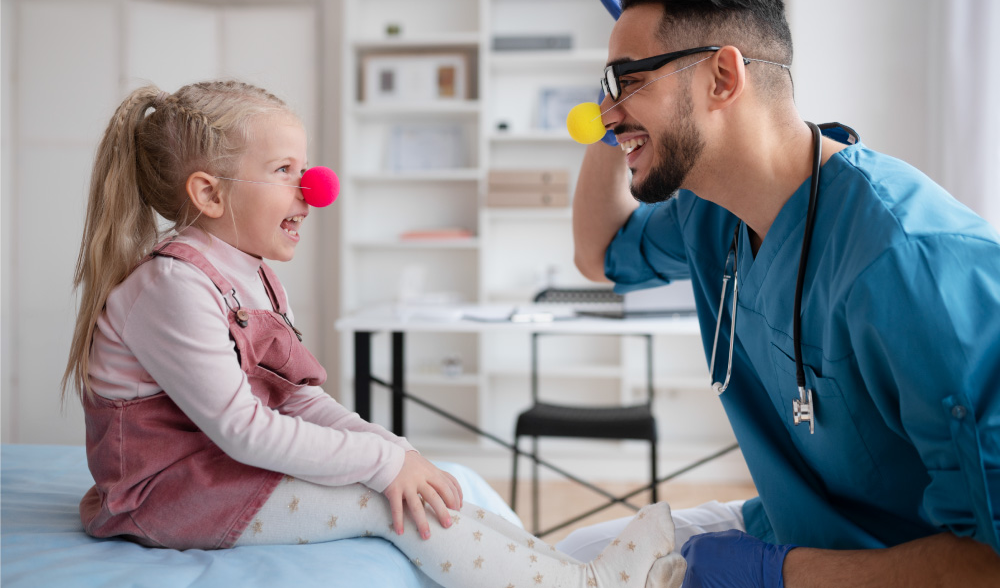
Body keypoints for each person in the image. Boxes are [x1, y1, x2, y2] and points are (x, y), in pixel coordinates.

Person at [63, 80, 687, 588]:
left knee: (416, 479)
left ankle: (564, 571)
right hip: (169, 494)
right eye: (285, 170)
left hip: (220, 471)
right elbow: (245, 430)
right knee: (386, 501)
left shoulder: (250, 275)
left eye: (305, 168)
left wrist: (393, 449)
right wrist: (385, 466)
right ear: (209, 193)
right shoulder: (171, 287)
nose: (313, 190)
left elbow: (297, 398)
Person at [564, 0, 1000, 588]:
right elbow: (598, 254)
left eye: (630, 79)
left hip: (888, 565)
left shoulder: (913, 264)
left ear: (722, 77)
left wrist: (778, 575)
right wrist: (621, 117)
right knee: (579, 555)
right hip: (791, 525)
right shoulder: (710, 214)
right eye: (606, 87)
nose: (606, 110)